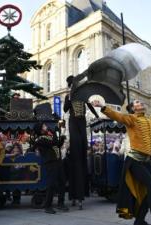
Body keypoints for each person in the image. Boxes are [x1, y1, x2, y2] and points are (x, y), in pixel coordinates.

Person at [92, 98, 151, 225]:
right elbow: (118, 116)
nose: (140, 102)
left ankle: (139, 220)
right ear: (133, 108)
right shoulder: (131, 118)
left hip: (147, 161)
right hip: (135, 161)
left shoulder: (150, 120)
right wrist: (103, 106)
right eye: (137, 102)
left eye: (140, 102)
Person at [63, 75, 99, 209]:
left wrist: (96, 116)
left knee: (82, 152)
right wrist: (69, 98)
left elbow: (90, 106)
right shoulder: (69, 96)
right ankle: (74, 194)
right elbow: (65, 109)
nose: (74, 86)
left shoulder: (83, 96)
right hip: (73, 123)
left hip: (82, 123)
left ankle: (81, 193)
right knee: (76, 151)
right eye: (72, 84)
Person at [33, 122, 69, 214]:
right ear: (41, 129)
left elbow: (57, 145)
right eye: (44, 126)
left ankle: (61, 203)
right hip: (51, 163)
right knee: (51, 184)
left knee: (62, 182)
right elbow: (53, 143)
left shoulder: (50, 135)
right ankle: (47, 206)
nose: (46, 127)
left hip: (58, 161)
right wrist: (57, 134)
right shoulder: (40, 139)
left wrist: (61, 139)